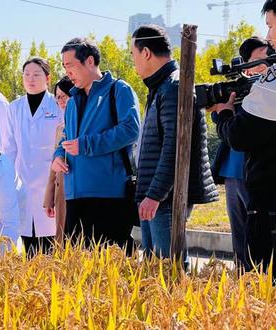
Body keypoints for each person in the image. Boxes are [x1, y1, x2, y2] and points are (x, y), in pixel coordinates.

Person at [131, 25, 218, 262]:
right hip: (154, 194)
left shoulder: (174, 87)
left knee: (169, 268)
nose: (133, 61)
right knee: (153, 268)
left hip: (165, 197)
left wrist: (156, 194)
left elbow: (176, 148)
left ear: (146, 52)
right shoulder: (161, 86)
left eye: (133, 54)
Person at [207, 0, 276, 279]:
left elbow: (241, 134)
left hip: (269, 202)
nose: (269, 37)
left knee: (261, 282)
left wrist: (223, 115)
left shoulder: (271, 86)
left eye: (272, 26)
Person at [52, 38, 140, 252]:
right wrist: (58, 155)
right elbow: (67, 137)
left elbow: (131, 130)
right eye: (64, 67)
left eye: (70, 65)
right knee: (77, 269)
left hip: (108, 194)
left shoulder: (118, 90)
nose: (67, 72)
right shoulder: (72, 101)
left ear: (89, 61)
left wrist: (86, 145)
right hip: (74, 195)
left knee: (111, 268)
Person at [5, 57, 62, 257]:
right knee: (27, 240)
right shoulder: (14, 107)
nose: (31, 79)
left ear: (48, 78)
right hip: (23, 182)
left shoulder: (57, 106)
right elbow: (10, 147)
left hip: (50, 181)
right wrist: (8, 180)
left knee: (50, 242)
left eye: (36, 74)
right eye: (26, 74)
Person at [43, 76, 74, 243]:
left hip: (79, 188)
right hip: (61, 188)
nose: (61, 101)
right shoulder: (60, 128)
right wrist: (49, 197)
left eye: (64, 96)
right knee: (61, 239)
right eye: (57, 98)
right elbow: (54, 164)